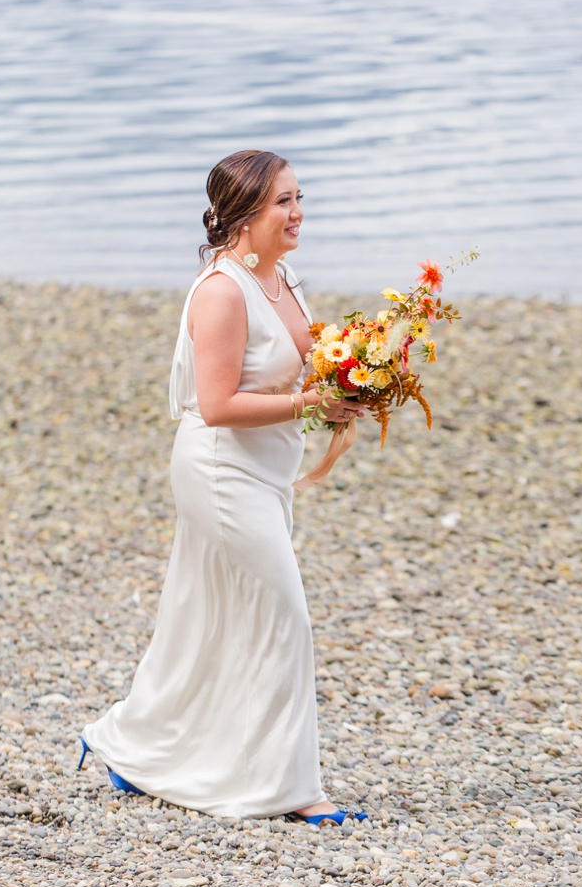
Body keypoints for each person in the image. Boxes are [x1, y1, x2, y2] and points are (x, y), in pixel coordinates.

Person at [78, 150, 369, 825]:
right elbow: (215, 405)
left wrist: (353, 384)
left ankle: (132, 746)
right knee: (284, 616)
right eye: (283, 203)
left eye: (300, 197)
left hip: (266, 469)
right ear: (242, 215)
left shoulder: (283, 276)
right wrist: (310, 408)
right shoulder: (221, 292)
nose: (299, 213)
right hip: (220, 470)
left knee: (205, 619)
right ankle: (294, 791)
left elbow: (304, 365)